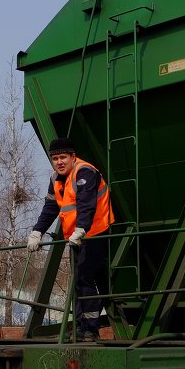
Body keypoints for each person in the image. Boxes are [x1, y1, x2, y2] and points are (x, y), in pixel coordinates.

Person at [26, 138, 114, 340]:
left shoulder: (85, 172)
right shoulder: (55, 178)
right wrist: (37, 231)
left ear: (73, 157)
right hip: (77, 236)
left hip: (95, 232)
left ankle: (90, 329)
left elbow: (86, 204)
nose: (59, 162)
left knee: (86, 277)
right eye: (55, 158)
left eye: (63, 157)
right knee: (79, 280)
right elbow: (50, 208)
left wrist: (81, 229)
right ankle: (83, 326)